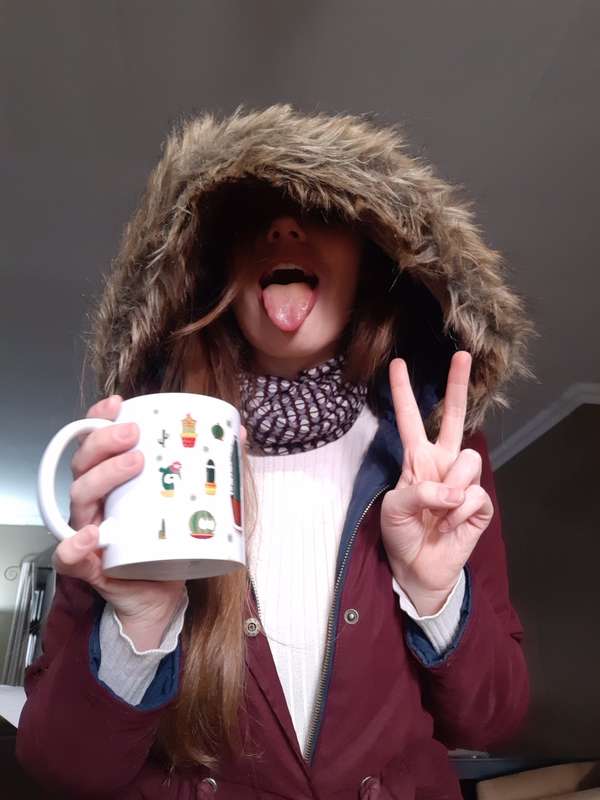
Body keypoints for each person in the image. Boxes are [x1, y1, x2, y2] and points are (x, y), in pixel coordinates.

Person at [16, 105, 536, 799]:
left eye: (319, 212)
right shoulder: (137, 461)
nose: (284, 229)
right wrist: (137, 618)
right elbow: (63, 766)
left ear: (371, 255)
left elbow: (492, 720)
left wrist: (436, 594)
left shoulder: (438, 454)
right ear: (212, 268)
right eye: (250, 219)